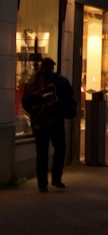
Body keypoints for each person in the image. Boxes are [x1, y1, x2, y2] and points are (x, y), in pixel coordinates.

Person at [21, 57, 75, 192]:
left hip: (38, 122)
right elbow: (68, 99)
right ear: (52, 67)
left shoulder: (32, 82)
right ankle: (56, 179)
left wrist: (35, 113)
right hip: (55, 120)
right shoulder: (59, 80)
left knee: (41, 152)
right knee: (60, 148)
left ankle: (42, 183)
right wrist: (61, 112)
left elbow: (25, 101)